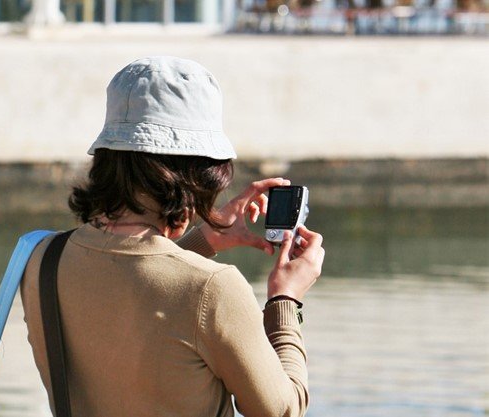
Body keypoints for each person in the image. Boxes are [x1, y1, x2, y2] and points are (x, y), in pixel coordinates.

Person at [20, 57, 325, 417]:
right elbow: (282, 409)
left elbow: (136, 282)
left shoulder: (42, 259)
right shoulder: (214, 289)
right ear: (201, 174)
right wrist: (284, 299)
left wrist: (201, 241)